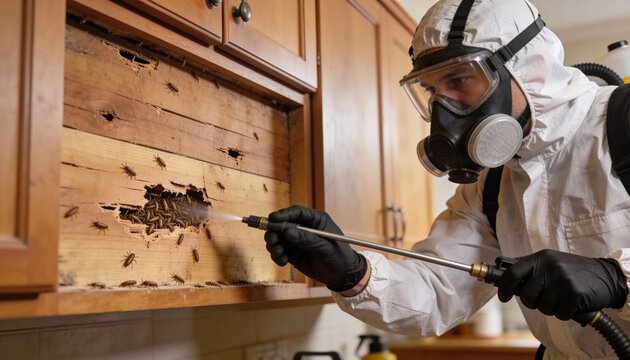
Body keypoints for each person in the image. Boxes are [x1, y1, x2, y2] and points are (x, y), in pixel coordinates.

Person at [262, 0, 630, 358]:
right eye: (432, 90)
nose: (445, 110)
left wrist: (616, 279)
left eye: (459, 79)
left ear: (527, 66)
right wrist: (351, 272)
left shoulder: (620, 125)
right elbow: (438, 290)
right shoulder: (491, 184)